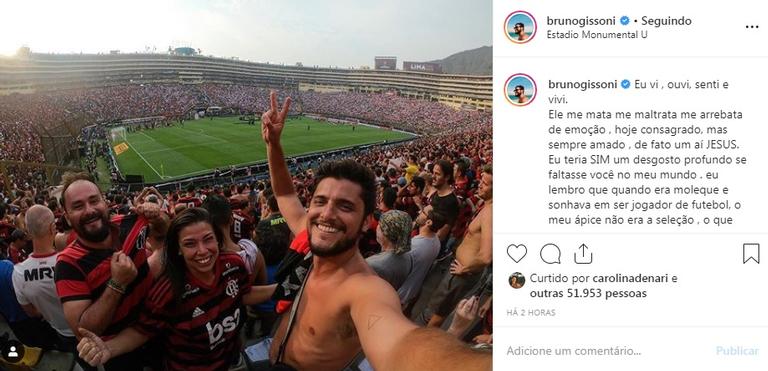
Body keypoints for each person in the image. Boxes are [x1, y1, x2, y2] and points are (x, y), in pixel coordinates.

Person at [261, 92, 490, 370]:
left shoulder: (366, 289)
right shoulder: (314, 236)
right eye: (320, 201)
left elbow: (402, 345)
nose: (327, 213)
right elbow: (285, 195)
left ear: (367, 221)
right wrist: (273, 145)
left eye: (345, 206)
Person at [76, 208, 277, 370]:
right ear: (178, 249)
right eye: (190, 244)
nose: (202, 251)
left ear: (217, 239)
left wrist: (283, 289)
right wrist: (108, 348)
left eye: (208, 239)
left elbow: (243, 294)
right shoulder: (167, 291)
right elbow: (142, 331)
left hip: (227, 362)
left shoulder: (233, 264)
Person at [54, 174, 167, 371]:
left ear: (105, 202)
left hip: (159, 325)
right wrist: (117, 284)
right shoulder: (68, 264)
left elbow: (165, 231)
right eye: (78, 206)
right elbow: (84, 331)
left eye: (94, 200)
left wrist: (156, 216)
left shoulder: (130, 223)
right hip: (120, 352)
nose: (89, 210)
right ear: (67, 217)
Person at [426, 165, 492, 328]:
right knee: (437, 310)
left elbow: (486, 256)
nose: (479, 184)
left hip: (462, 274)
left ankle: (418, 346)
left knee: (437, 315)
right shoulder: (488, 207)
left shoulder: (492, 213)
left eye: (485, 182)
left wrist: (465, 268)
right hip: (461, 272)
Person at [12, 205, 75, 351]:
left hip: (60, 330)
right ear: (52, 228)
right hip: (87, 327)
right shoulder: (70, 260)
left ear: (27, 231)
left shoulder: (19, 273)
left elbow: (31, 312)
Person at [365, 210, 413, 291]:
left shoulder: (374, 265)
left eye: (380, 226)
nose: (377, 227)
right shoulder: (408, 255)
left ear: (387, 233)